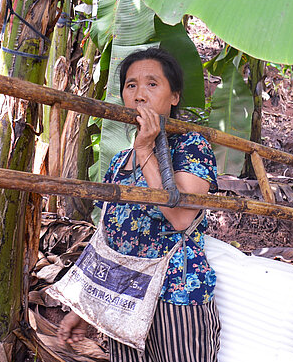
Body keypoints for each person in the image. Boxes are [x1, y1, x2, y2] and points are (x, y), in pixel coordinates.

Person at [57, 47, 221, 362]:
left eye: (152, 84)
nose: (139, 95)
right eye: (131, 85)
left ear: (174, 97)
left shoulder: (191, 145)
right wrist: (86, 307)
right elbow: (109, 240)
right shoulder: (120, 162)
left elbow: (181, 217)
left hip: (176, 298)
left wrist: (146, 148)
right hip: (124, 303)